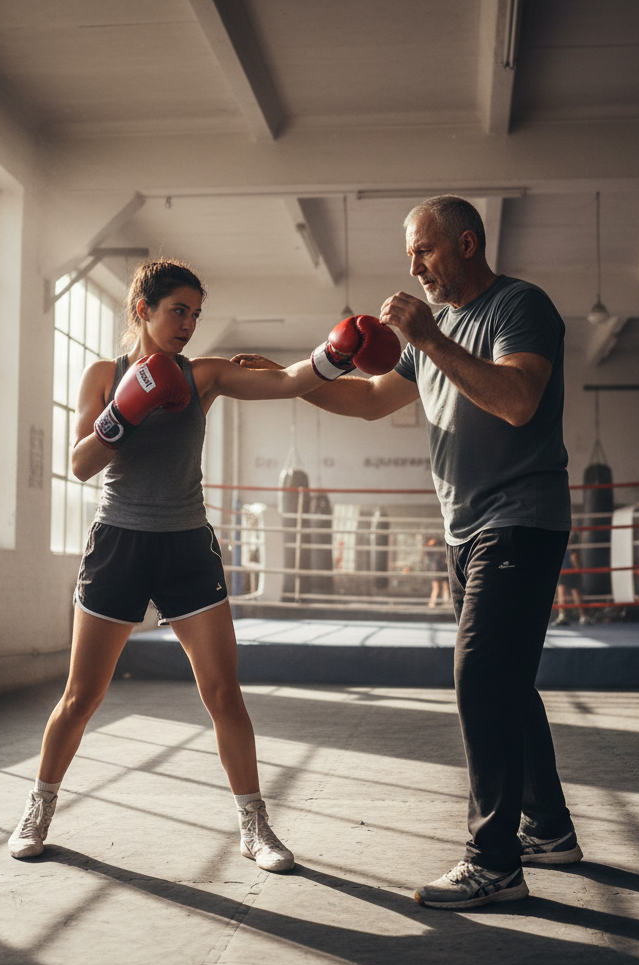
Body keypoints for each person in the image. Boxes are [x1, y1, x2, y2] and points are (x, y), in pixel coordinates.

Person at [236, 195, 581, 909]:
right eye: (409, 256)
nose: (415, 268)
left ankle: (495, 863)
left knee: (482, 679)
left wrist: (430, 340)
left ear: (466, 242)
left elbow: (518, 400)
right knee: (505, 682)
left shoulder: (520, 306)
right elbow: (367, 402)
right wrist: (299, 377)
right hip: (465, 528)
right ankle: (546, 829)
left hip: (519, 519)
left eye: (423, 251)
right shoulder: (441, 333)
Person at [9, 258, 398, 871]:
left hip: (187, 546)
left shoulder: (204, 376)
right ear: (144, 309)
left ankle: (254, 825)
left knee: (223, 693)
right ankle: (39, 807)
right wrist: (125, 409)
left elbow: (292, 381)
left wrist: (336, 353)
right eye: (178, 311)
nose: (189, 324)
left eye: (196, 314)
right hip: (119, 545)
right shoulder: (102, 376)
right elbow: (82, 464)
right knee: (81, 696)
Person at [554, 535, 588, 625]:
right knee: (565, 593)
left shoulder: (569, 548)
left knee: (571, 593)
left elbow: (574, 557)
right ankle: (580, 616)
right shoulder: (563, 546)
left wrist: (577, 568)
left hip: (567, 570)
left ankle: (579, 616)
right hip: (564, 570)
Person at [424, 535, 450, 607]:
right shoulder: (432, 551)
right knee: (437, 587)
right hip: (436, 571)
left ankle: (444, 602)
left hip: (441, 570)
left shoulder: (441, 551)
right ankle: (433, 603)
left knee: (444, 587)